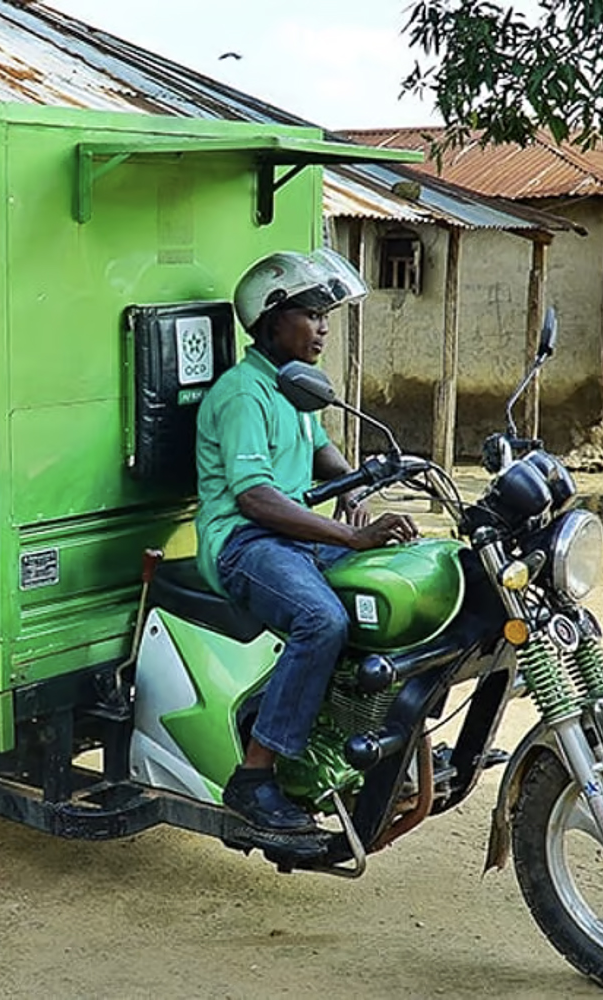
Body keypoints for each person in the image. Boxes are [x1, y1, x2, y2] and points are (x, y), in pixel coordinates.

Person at [194, 248, 419, 835]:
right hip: (245, 542)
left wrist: (352, 485)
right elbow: (255, 498)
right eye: (311, 314)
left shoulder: (294, 387)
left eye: (326, 315)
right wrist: (351, 533)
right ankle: (256, 775)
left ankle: (371, 741)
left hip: (291, 536)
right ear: (272, 319)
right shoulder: (245, 393)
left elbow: (320, 449)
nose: (322, 327)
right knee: (321, 619)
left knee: (398, 586)